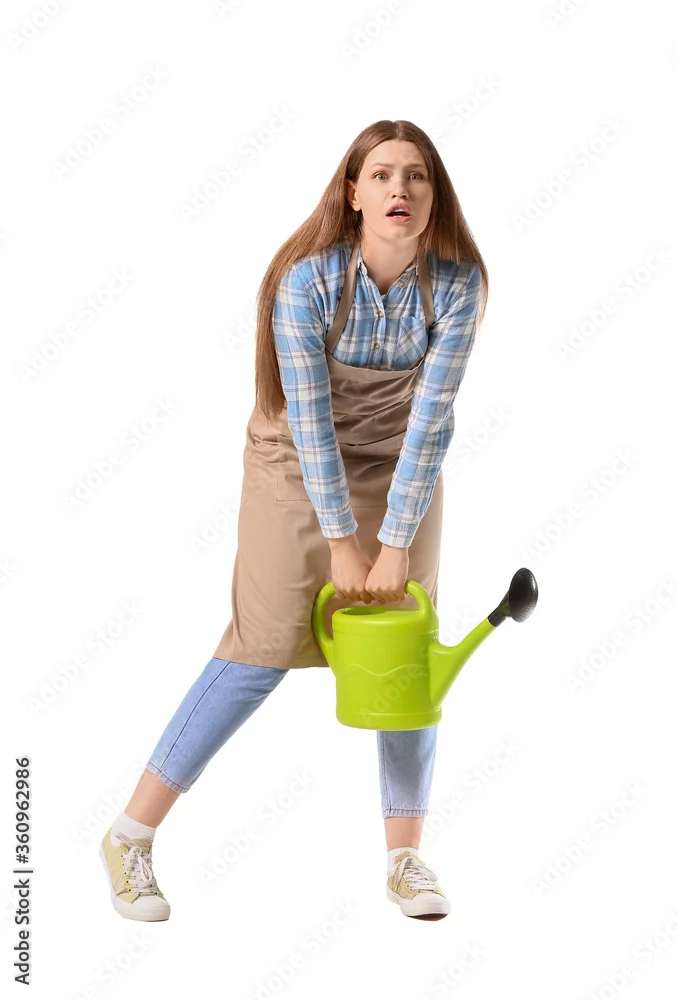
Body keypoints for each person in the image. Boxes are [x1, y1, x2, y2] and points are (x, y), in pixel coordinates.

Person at [99, 119, 487, 922]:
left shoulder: (457, 285)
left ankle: (404, 859)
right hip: (291, 465)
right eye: (381, 175)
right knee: (261, 650)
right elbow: (308, 424)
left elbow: (431, 423)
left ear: (434, 194)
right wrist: (343, 543)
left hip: (399, 470)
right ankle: (130, 834)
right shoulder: (306, 282)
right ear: (353, 193)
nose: (400, 189)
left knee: (404, 656)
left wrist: (395, 540)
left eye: (416, 176)